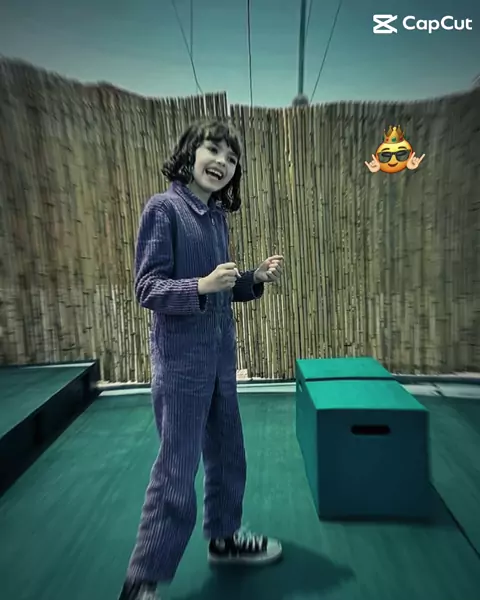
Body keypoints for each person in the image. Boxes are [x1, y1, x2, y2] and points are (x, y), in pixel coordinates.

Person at [119, 118, 285, 600]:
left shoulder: (215, 219)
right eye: (213, 150)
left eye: (231, 159)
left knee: (229, 454)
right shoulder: (163, 209)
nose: (222, 162)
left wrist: (252, 278)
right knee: (176, 469)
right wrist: (201, 285)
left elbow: (222, 290)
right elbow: (147, 288)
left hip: (219, 363)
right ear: (189, 152)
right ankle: (141, 581)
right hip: (181, 368)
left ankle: (225, 539)